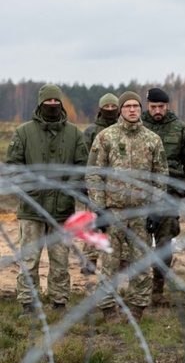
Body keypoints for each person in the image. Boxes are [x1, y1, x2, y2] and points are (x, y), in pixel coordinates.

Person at [6, 84, 89, 318]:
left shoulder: (74, 134)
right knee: (29, 259)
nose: (52, 106)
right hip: (31, 208)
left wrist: (68, 188)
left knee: (60, 259)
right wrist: (28, 187)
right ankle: (28, 305)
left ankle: (59, 303)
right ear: (40, 103)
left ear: (61, 103)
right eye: (48, 102)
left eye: (56, 102)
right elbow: (13, 165)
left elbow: (81, 165)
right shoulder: (23, 132)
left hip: (62, 210)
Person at [86, 91, 168, 322]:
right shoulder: (106, 137)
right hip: (114, 212)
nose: (132, 110)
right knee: (109, 263)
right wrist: (99, 209)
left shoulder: (152, 139)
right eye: (127, 106)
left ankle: (137, 308)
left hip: (142, 213)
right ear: (120, 110)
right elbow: (93, 174)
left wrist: (156, 208)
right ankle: (108, 308)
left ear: (141, 109)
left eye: (136, 106)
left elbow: (161, 175)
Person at [141, 87, 185, 306]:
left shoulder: (180, 129)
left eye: (161, 107)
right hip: (140, 193)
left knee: (164, 243)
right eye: (153, 107)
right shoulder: (137, 127)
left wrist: (183, 190)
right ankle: (139, 290)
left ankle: (157, 290)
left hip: (170, 195)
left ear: (167, 106)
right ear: (147, 106)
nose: (157, 111)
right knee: (138, 242)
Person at [81, 93, 120, 275]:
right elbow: (83, 157)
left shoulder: (122, 130)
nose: (110, 110)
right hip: (95, 184)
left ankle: (122, 259)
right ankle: (90, 260)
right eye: (107, 107)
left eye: (114, 107)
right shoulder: (90, 132)